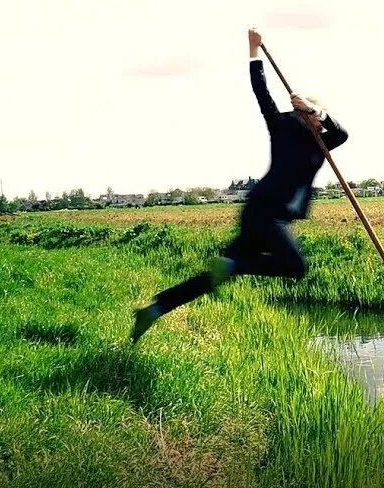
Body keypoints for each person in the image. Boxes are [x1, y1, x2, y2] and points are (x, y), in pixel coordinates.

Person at [130, 28, 348, 343]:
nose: (317, 121)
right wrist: (253, 52)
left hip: (262, 213)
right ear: (302, 115)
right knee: (295, 267)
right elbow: (262, 94)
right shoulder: (284, 127)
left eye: (317, 117)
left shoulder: (321, 143)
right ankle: (234, 265)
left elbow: (341, 133)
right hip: (266, 214)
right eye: (312, 116)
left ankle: (152, 310)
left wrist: (318, 111)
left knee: (215, 276)